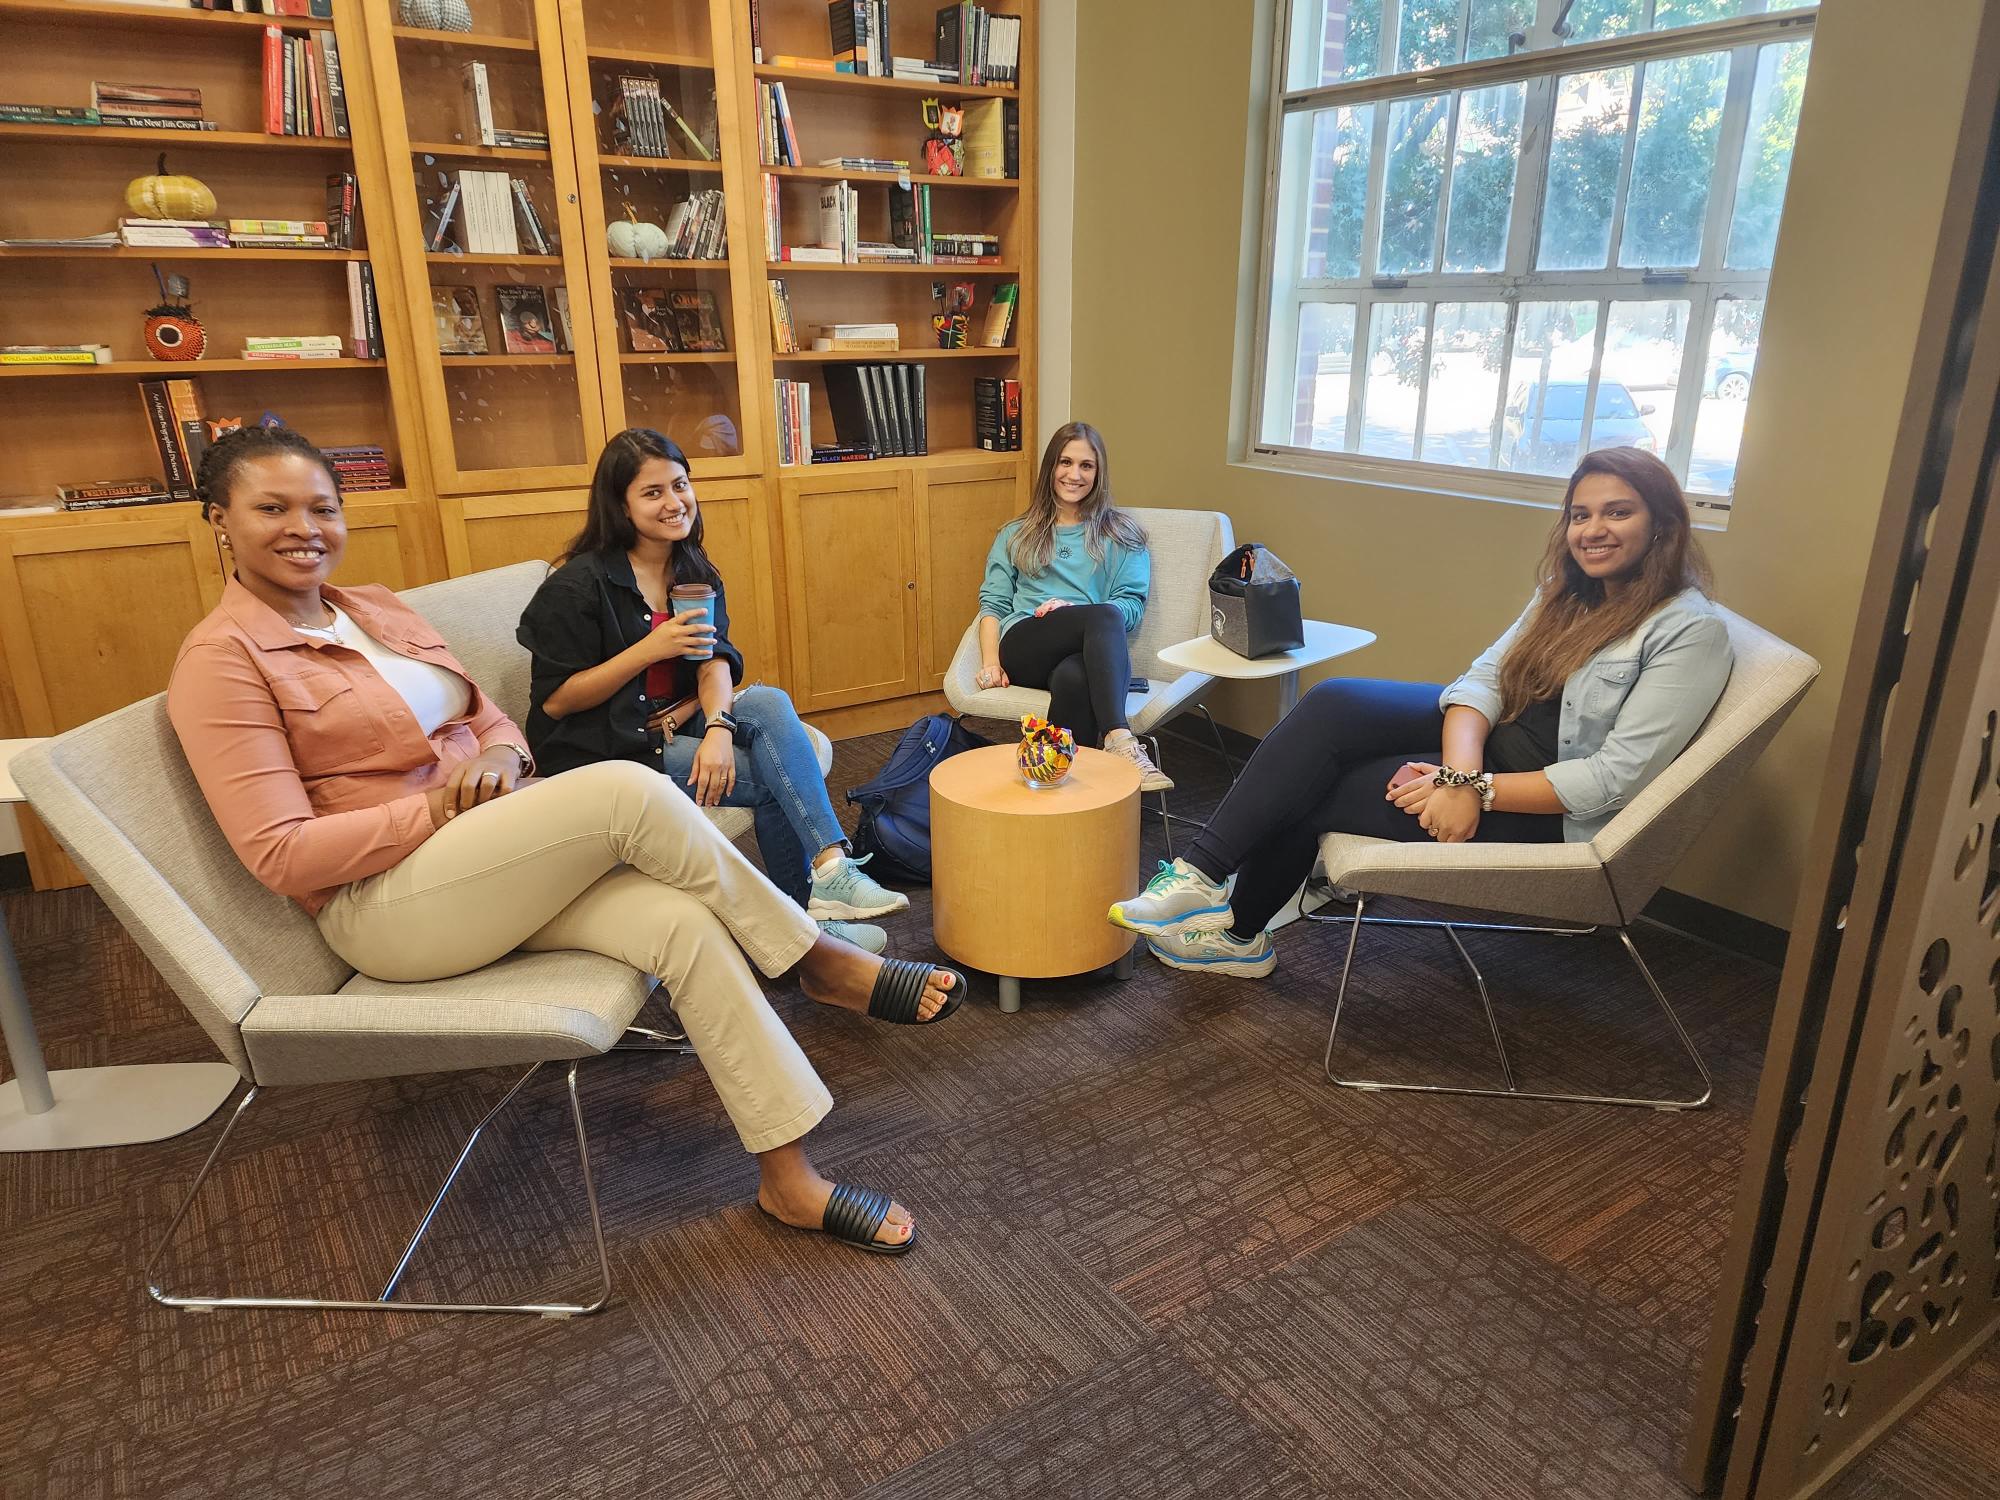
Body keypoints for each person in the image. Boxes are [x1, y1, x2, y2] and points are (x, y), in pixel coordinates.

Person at [168, 424, 962, 1257]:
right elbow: (281, 853)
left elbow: (492, 719)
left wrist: (501, 758)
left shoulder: (374, 608)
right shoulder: (222, 660)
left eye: (323, 508)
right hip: (386, 905)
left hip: (490, 863)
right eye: (273, 509)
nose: (305, 528)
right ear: (220, 519)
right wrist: (438, 810)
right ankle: (817, 958)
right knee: (627, 788)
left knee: (681, 922)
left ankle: (789, 1180)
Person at [1109, 446, 1734, 977]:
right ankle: (1199, 875)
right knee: (1335, 700)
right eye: (1581, 514)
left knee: (1320, 786)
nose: (1593, 529)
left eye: (1618, 512)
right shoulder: (1567, 593)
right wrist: (1459, 776)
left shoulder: (1688, 632)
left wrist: (1476, 791)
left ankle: (1238, 937)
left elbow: (1612, 778)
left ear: (1662, 524)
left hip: (1550, 810)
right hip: (1487, 758)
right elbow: (1484, 680)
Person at [517, 428, 908, 953]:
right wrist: (649, 649)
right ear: (620, 504)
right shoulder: (577, 586)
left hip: (679, 719)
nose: (674, 502)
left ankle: (831, 869)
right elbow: (557, 701)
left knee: (769, 702)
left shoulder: (692, 570)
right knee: (773, 777)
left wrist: (720, 730)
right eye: (652, 493)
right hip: (608, 747)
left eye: (680, 485)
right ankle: (805, 933)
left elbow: (714, 660)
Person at [974, 421, 1170, 791]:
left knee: (1074, 677)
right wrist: (989, 663)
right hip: (1025, 645)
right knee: (1103, 615)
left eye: (1086, 465)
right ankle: (1120, 738)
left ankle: (1073, 792)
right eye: (1065, 462)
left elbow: (1130, 608)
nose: (1074, 475)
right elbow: (993, 606)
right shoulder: (1016, 533)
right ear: (1051, 467)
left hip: (1084, 651)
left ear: (1099, 473)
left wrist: (1072, 611)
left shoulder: (1122, 536)